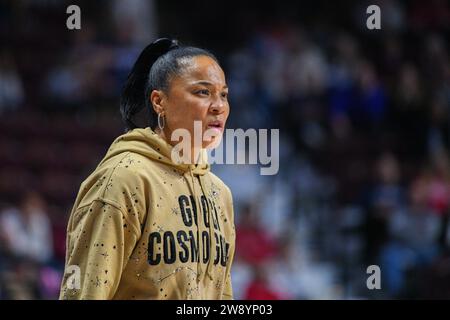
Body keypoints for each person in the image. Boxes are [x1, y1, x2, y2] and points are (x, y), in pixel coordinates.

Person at [59, 38, 235, 300]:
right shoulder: (123, 179)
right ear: (159, 102)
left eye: (223, 94)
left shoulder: (219, 194)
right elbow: (84, 293)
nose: (219, 106)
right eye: (202, 92)